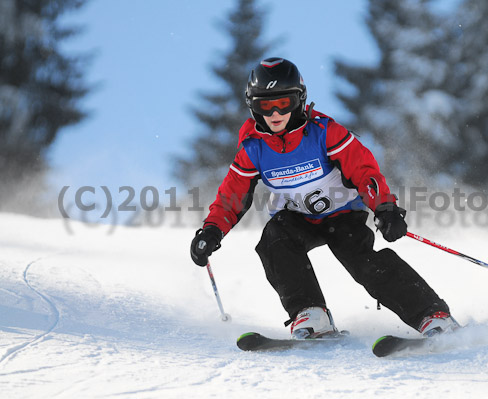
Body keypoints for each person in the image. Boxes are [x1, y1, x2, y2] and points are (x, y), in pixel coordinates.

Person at [190, 57, 458, 339]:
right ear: (253, 106)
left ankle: (432, 315)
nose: (275, 112)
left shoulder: (324, 133)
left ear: (300, 100)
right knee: (274, 242)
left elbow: (364, 170)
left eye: (285, 102)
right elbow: (232, 195)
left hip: (342, 215)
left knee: (362, 261)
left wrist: (385, 208)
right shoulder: (253, 148)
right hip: (297, 218)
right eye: (265, 105)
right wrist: (212, 229)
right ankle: (310, 313)